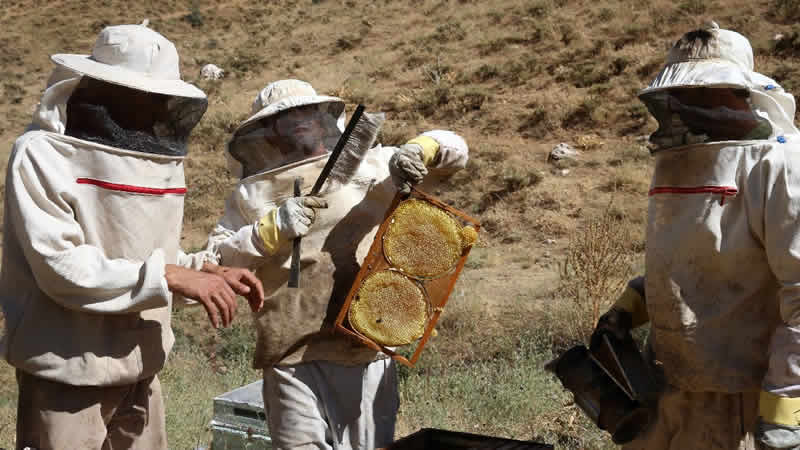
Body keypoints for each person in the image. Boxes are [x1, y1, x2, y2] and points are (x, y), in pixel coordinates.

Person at [0, 24, 265, 450]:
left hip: (141, 367)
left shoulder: (155, 160)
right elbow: (59, 266)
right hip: (67, 371)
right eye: (140, 95)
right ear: (102, 89)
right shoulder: (42, 154)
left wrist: (202, 269)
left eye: (159, 98)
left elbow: (149, 251)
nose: (153, 108)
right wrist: (172, 277)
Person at [204, 79, 469, 449]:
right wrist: (269, 230)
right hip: (290, 353)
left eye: (304, 111)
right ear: (268, 132)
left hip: (367, 343)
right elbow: (215, 261)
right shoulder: (251, 193)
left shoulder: (373, 162)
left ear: (321, 115)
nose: (297, 120)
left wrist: (420, 148)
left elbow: (455, 149)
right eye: (283, 117)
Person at [591, 22, 800, 449]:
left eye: (703, 91)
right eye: (683, 93)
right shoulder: (677, 161)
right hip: (671, 389)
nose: (689, 103)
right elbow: (689, 261)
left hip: (746, 401)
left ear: (738, 90)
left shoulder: (779, 164)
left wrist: (784, 411)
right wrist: (628, 310)